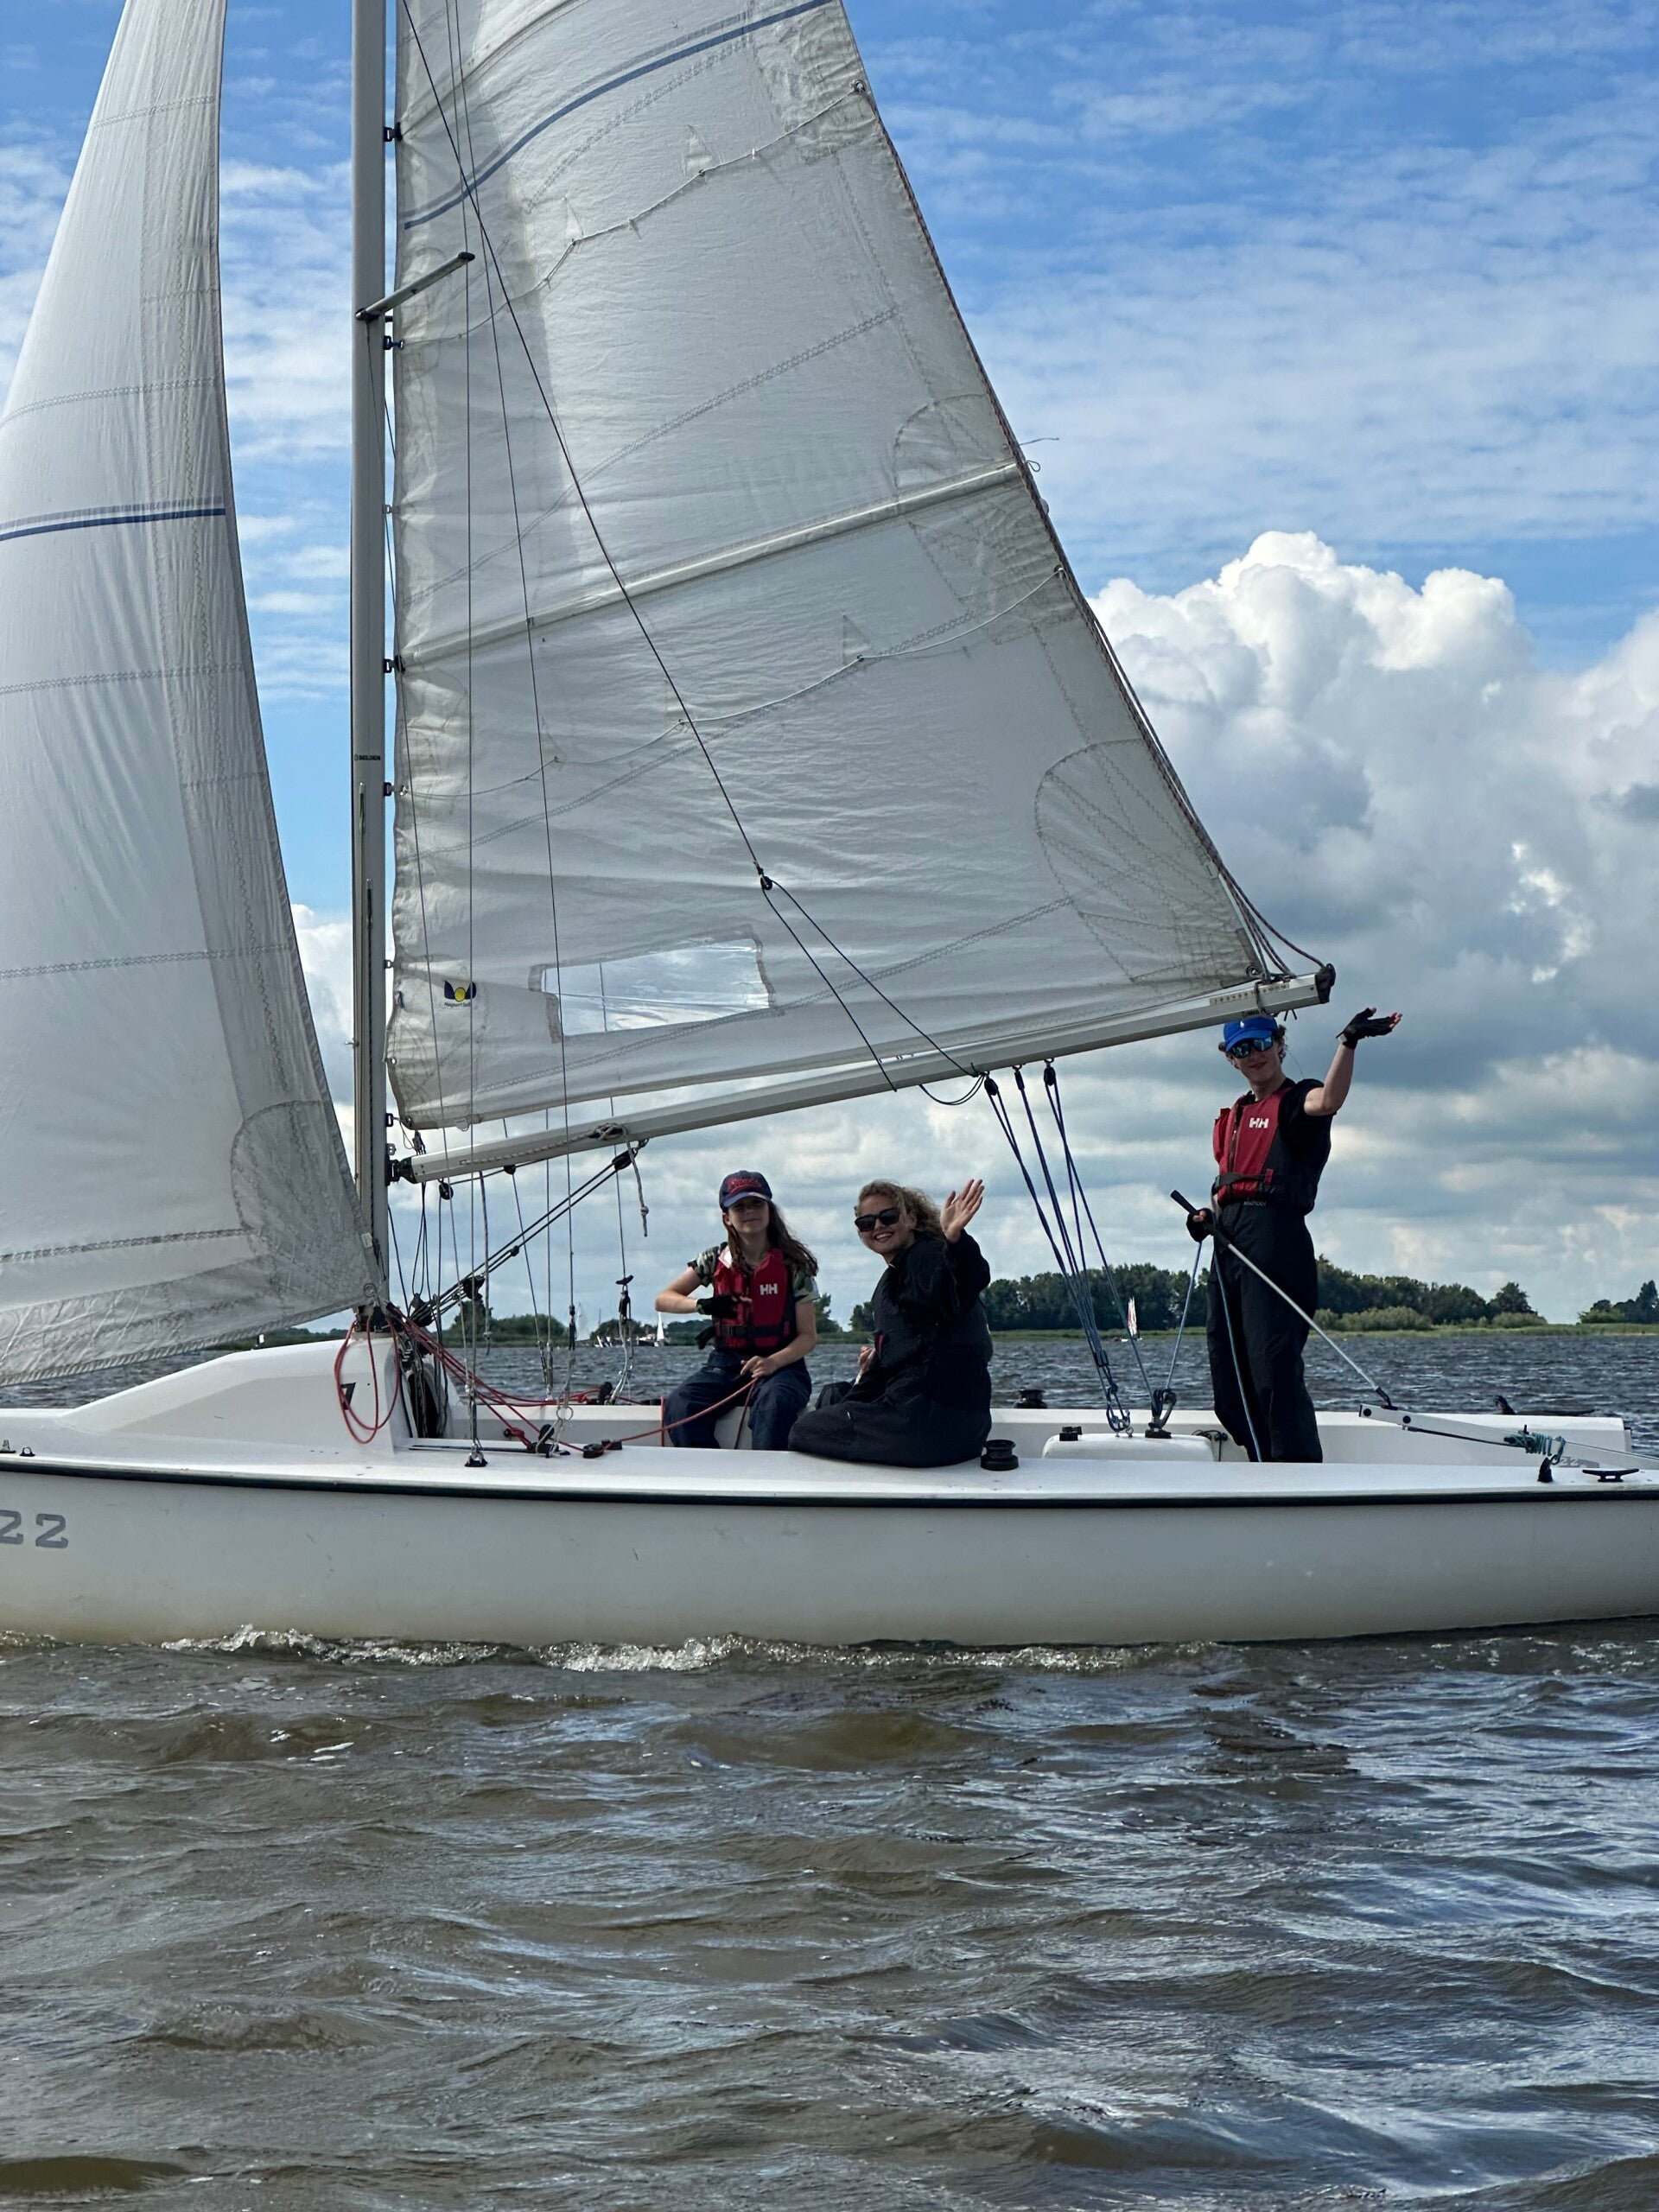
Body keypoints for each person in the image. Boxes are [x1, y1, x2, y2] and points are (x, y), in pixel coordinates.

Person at [1185, 1006, 1399, 1462]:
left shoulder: (1297, 1100)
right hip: (1228, 1241)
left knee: (1272, 1370)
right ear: (1231, 1058)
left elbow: (1329, 1101)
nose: (1255, 1055)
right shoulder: (1235, 1114)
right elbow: (1228, 1187)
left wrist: (1348, 1042)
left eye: (1263, 1043)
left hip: (1275, 1237)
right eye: (1243, 1049)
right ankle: (1262, 1462)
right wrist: (1207, 1217)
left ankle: (1296, 1471)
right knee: (1228, 1377)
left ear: (1280, 1044)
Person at [790, 1177, 992, 1468]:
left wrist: (955, 1240)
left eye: (888, 1217)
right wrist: (853, 1397)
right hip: (965, 1428)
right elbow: (886, 1367)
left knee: (804, 1430)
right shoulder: (891, 1280)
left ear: (911, 1218)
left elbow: (963, 1283)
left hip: (929, 1423)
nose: (878, 1226)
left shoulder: (928, 1256)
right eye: (866, 1223)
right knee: (834, 1397)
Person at [655, 1170, 817, 1449]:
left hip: (782, 1366)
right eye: (740, 1207)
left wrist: (773, 1362)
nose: (749, 1211)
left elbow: (808, 1337)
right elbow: (664, 1299)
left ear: (769, 1210)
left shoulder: (793, 1265)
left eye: (756, 1204)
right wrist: (702, 1305)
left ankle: (767, 1475)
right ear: (727, 1218)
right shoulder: (713, 1259)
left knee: (774, 1405)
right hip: (726, 1364)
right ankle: (711, 1472)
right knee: (680, 1405)